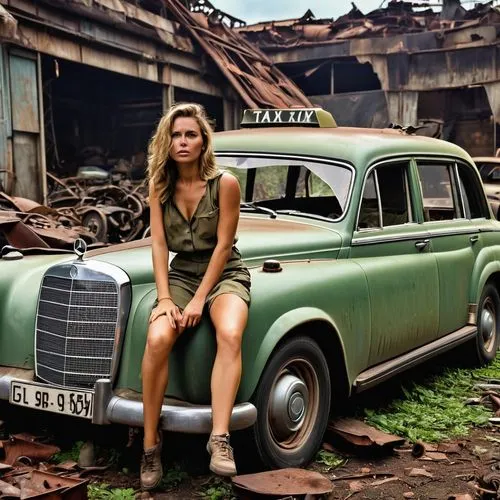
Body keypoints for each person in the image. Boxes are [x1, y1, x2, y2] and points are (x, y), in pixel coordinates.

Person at [140, 103, 251, 490]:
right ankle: (150, 445)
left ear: (204, 140)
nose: (182, 142)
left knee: (231, 332)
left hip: (224, 274)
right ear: (165, 142)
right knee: (157, 339)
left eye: (190, 134)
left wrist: (198, 300)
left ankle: (220, 439)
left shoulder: (225, 184)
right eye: (175, 135)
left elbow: (223, 247)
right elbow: (157, 244)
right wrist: (166, 298)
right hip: (181, 274)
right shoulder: (159, 185)